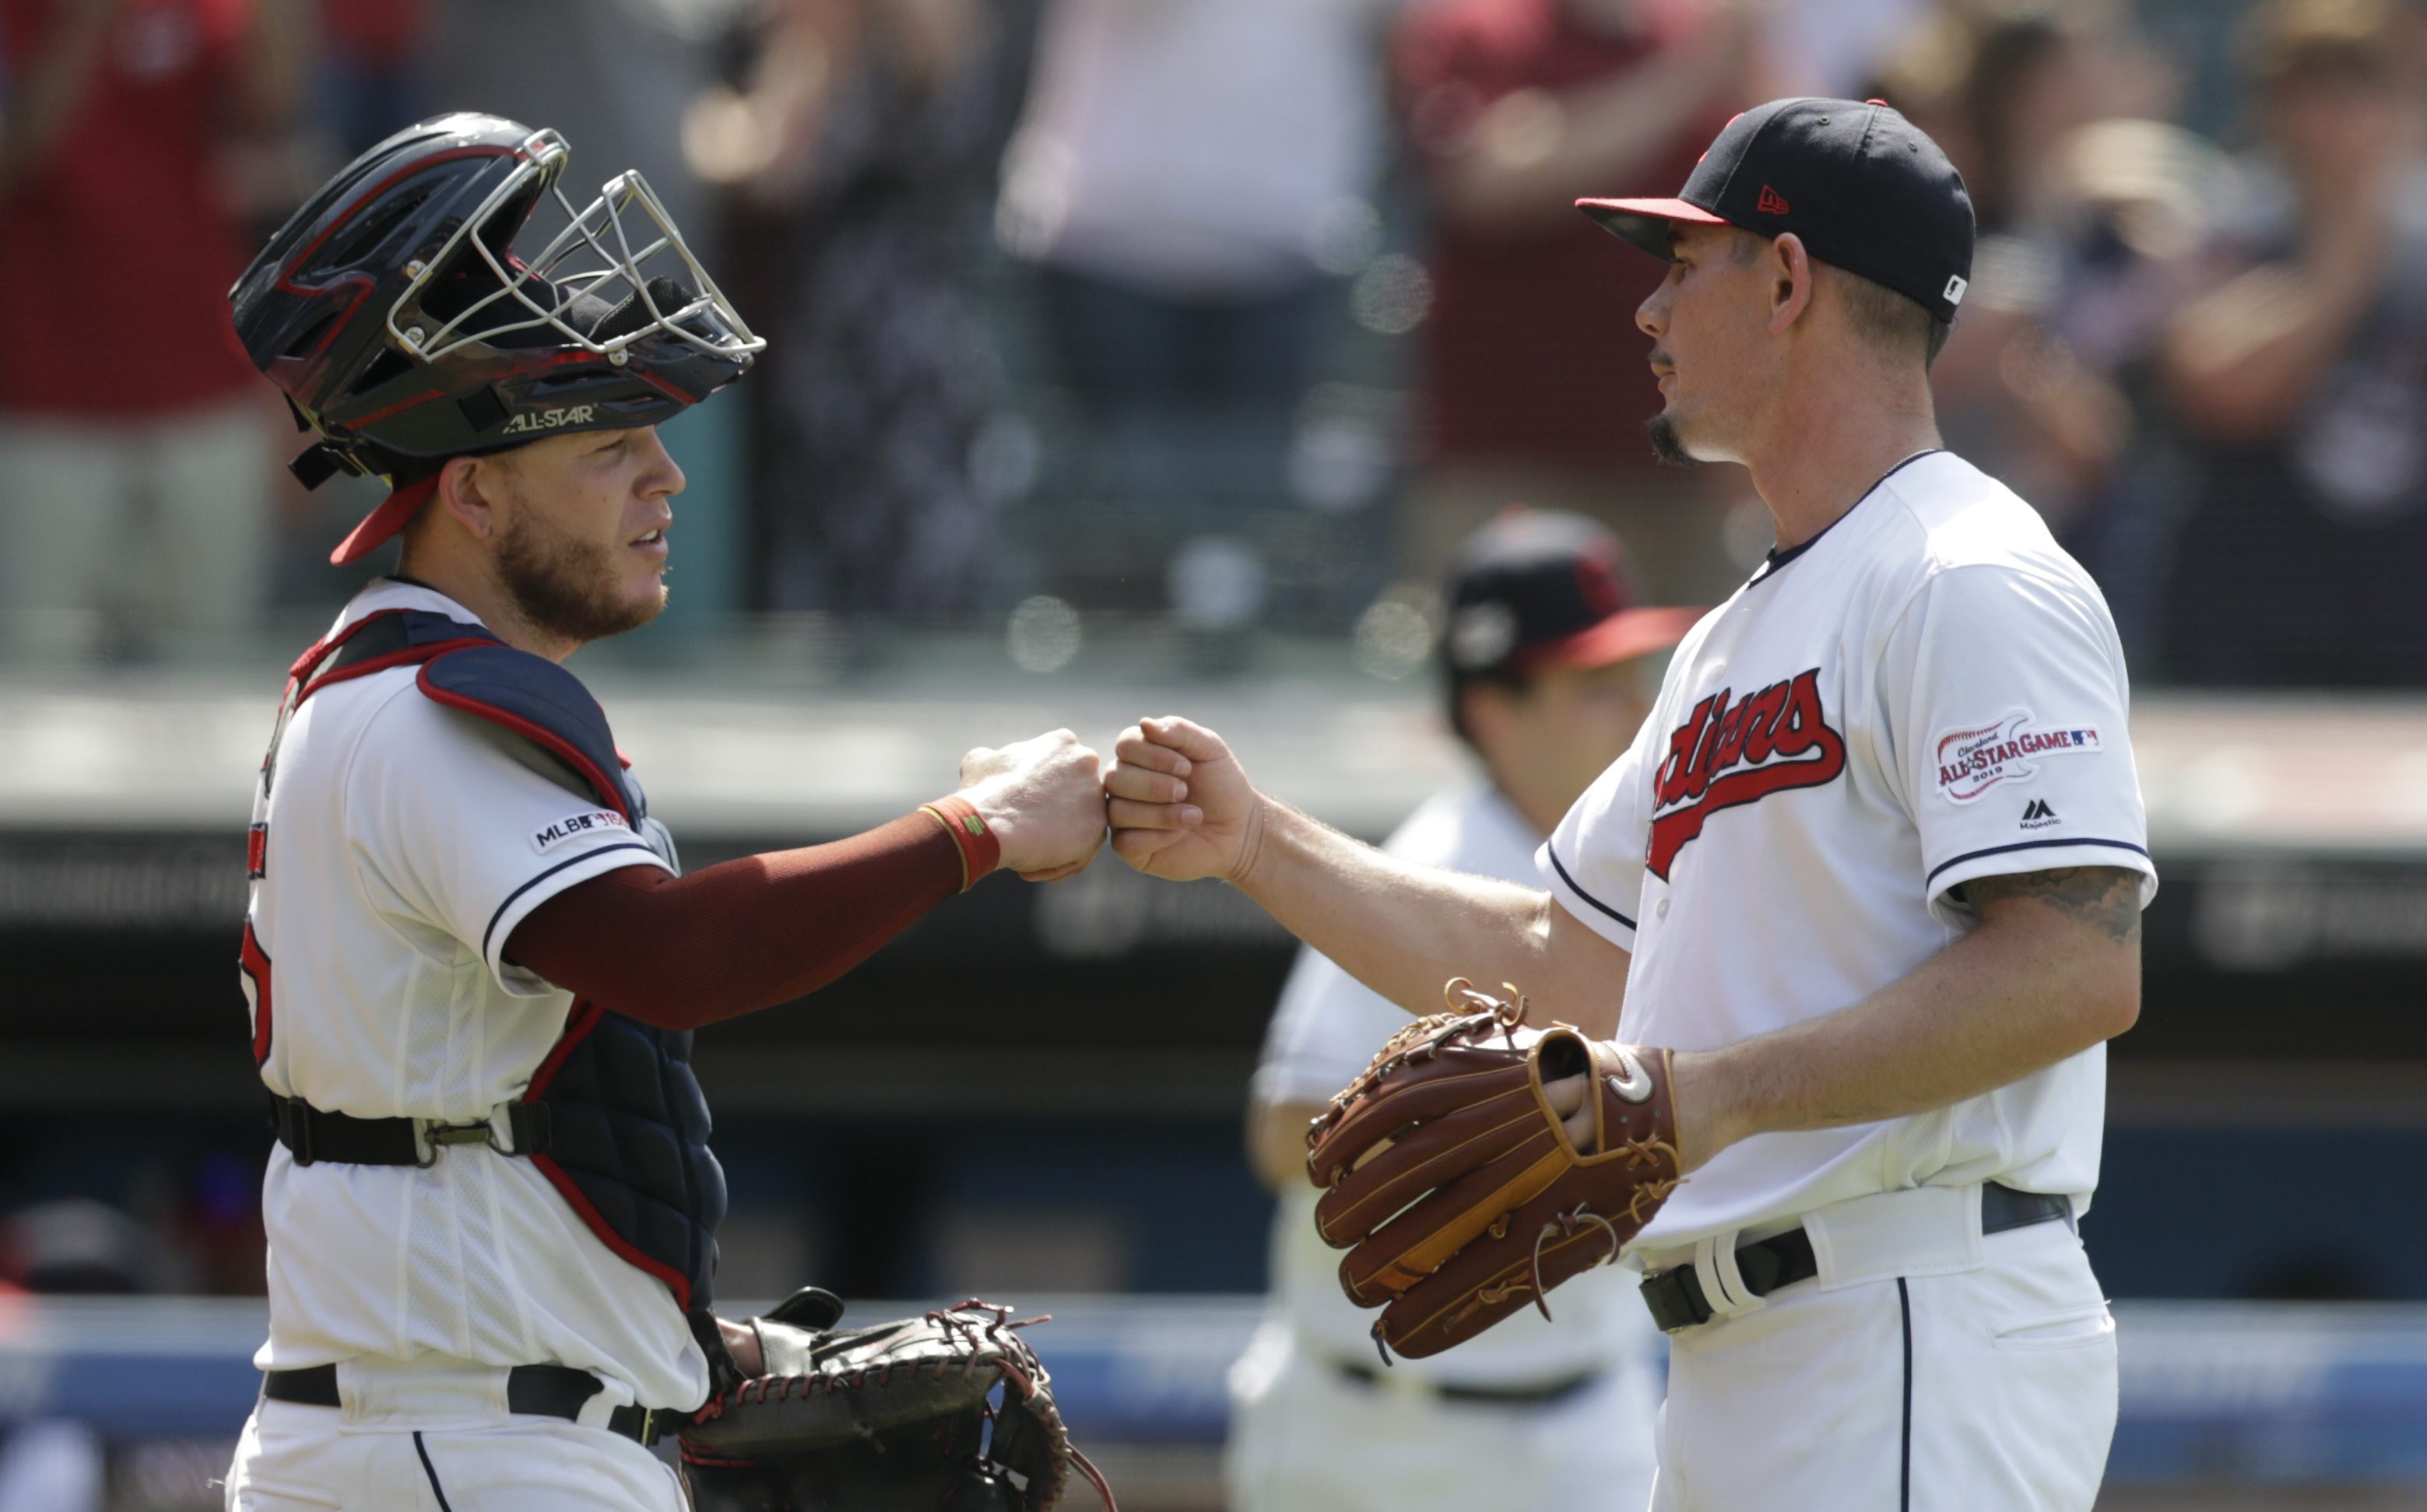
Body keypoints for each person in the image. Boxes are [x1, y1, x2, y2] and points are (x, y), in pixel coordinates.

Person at [1109, 97, 2151, 1509]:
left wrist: (1701, 1093)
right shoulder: (1736, 634)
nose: (1649, 309)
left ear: (1785, 280)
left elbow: (2074, 966)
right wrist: (1254, 842)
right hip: (1746, 1355)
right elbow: (1574, 957)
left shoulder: (1963, 572)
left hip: (1907, 1314)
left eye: (1683, 263)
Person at [220, 116, 1108, 1512]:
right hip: (471, 1448)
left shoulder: (388, 689)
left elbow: (512, 1119)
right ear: (474, 491)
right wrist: (974, 827)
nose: (666, 478)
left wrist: (682, 1344)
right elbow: (671, 954)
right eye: (608, 446)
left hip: (455, 1426)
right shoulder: (431, 702)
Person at [1229, 509, 1691, 1511]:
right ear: (1492, 708)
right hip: (1372, 1438)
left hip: (1589, 1429)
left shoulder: (1659, 865)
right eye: (1591, 680)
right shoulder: (1429, 872)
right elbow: (1281, 1129)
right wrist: (1486, 1156)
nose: (1633, 705)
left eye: (1634, 673)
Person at [1387, 0, 1746, 601]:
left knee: (1693, 683)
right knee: (1505, 675)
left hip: (1683, 460)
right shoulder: (1478, 28)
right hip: (1509, 457)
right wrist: (1687, 78)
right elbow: (1487, 182)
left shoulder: (1697, 32)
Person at [0, 0, 305, 661]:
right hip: (45, 395)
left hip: (200, 382)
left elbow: (271, 99)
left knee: (211, 657)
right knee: (35, 671)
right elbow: (24, 150)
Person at [2158, 0, 2427, 686]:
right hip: (2249, 628)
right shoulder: (2229, 230)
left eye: (2363, 91)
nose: (2340, 123)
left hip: (2401, 630)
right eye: (2315, 94)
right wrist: (2348, 253)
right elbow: (2220, 392)